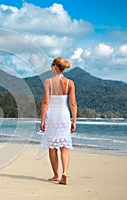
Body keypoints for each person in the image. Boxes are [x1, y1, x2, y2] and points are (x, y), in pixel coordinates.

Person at [40, 57, 77, 185]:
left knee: (52, 146)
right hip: (65, 116)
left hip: (52, 116)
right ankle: (64, 172)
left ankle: (56, 175)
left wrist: (42, 120)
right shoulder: (70, 83)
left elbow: (45, 102)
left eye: (51, 66)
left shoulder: (48, 82)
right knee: (65, 146)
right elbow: (73, 104)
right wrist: (74, 121)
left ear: (55, 66)